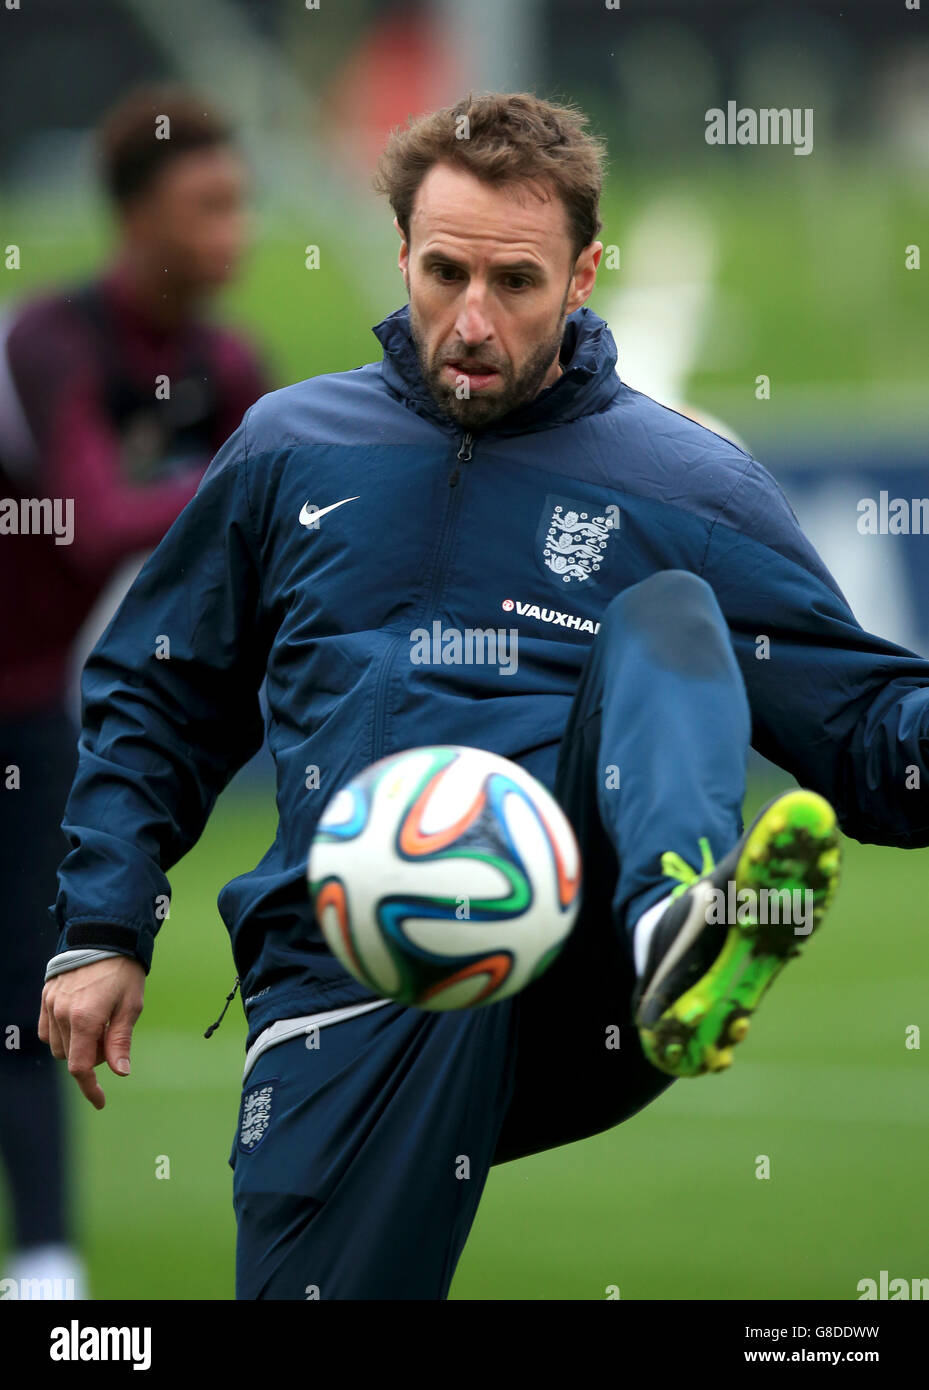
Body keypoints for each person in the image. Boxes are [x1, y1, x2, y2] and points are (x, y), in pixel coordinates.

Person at [38, 92, 929, 1300]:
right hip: (344, 978)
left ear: (581, 275)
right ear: (400, 251)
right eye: (443, 270)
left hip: (582, 970)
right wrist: (102, 924)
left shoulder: (684, 484)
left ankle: (682, 918)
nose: (471, 320)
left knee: (663, 615)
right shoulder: (288, 447)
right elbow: (158, 694)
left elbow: (873, 733)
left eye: (514, 282)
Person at [1, 86, 267, 1296]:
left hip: (30, 706)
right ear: (134, 217)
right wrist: (234, 479)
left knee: (26, 979)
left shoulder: (228, 367)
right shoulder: (52, 340)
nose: (235, 228)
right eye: (206, 203)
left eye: (241, 201)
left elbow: (273, 541)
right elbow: (90, 526)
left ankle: (47, 1267)